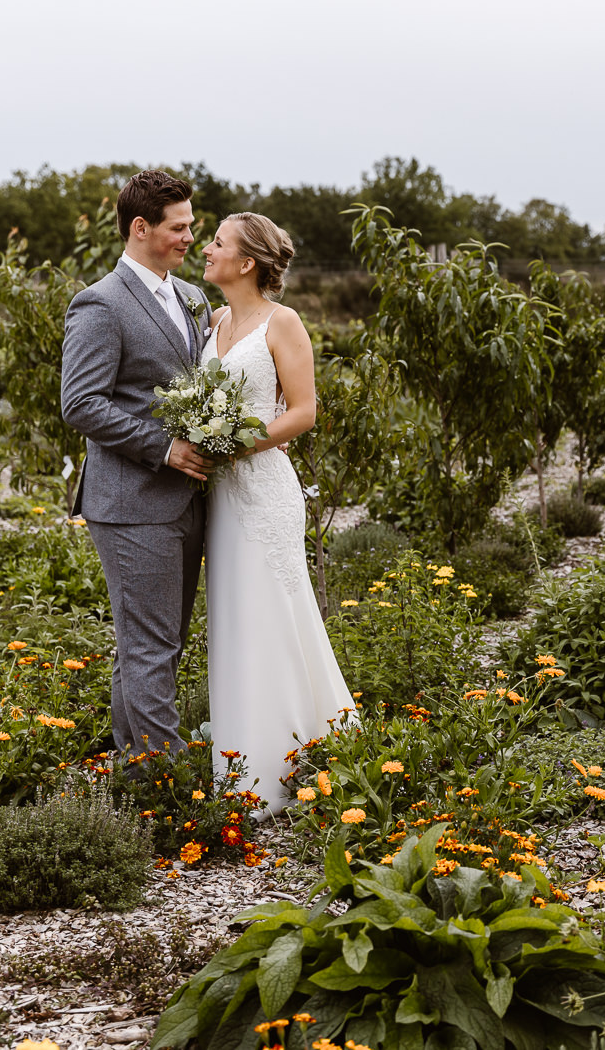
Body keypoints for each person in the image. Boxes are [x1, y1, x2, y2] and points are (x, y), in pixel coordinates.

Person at [199, 211, 351, 809]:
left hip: (264, 488)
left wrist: (237, 439)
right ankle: (242, 764)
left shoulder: (282, 322)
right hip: (221, 495)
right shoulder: (213, 321)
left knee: (274, 614)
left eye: (217, 243)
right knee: (235, 617)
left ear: (247, 263)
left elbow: (304, 411)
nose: (206, 250)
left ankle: (291, 762)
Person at [60, 170, 213, 761]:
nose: (189, 239)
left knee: (157, 644)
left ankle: (140, 772)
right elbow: (81, 403)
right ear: (140, 228)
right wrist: (163, 447)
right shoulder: (99, 303)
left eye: (193, 227)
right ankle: (169, 787)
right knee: (150, 646)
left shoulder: (192, 297)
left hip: (188, 499)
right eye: (179, 228)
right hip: (131, 502)